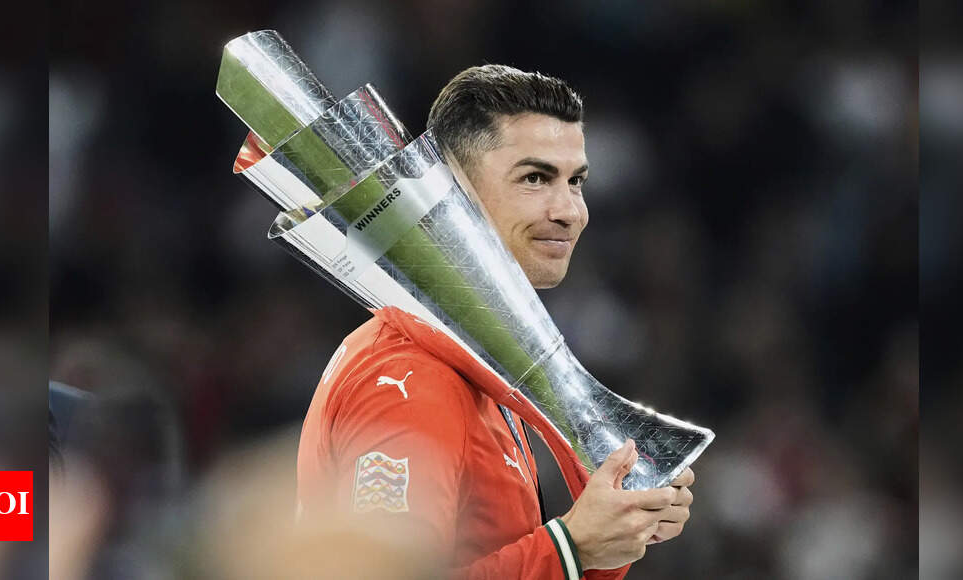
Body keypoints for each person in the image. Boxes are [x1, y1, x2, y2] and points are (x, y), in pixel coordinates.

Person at [297, 65, 695, 579]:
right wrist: (570, 548)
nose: (570, 211)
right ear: (452, 190)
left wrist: (607, 540)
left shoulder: (477, 361)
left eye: (576, 181)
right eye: (535, 178)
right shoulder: (410, 378)